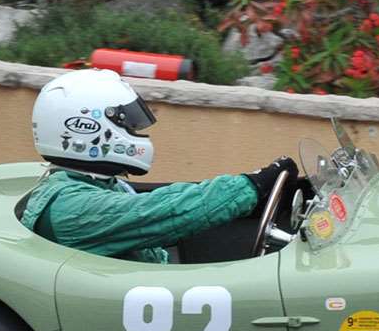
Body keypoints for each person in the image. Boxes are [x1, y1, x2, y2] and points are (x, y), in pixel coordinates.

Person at [17, 68, 297, 263]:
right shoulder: (70, 208)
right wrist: (251, 185)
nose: (135, 131)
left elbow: (165, 197)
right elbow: (162, 210)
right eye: (127, 123)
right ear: (85, 128)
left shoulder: (93, 184)